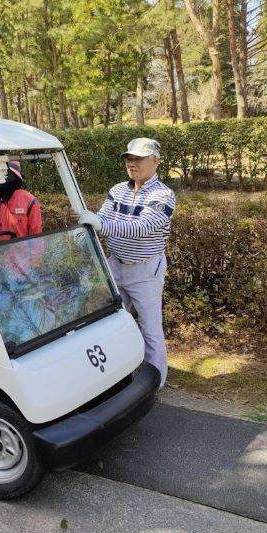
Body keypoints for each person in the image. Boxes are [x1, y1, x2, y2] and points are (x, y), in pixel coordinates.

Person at [77, 138, 176, 388]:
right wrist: (89, 223)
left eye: (139, 159)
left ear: (156, 161)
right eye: (129, 159)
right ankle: (115, 375)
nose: (132, 164)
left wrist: (101, 224)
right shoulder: (118, 189)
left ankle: (155, 382)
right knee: (108, 322)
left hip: (145, 270)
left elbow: (141, 227)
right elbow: (104, 217)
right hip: (115, 265)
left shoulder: (163, 195)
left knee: (150, 328)